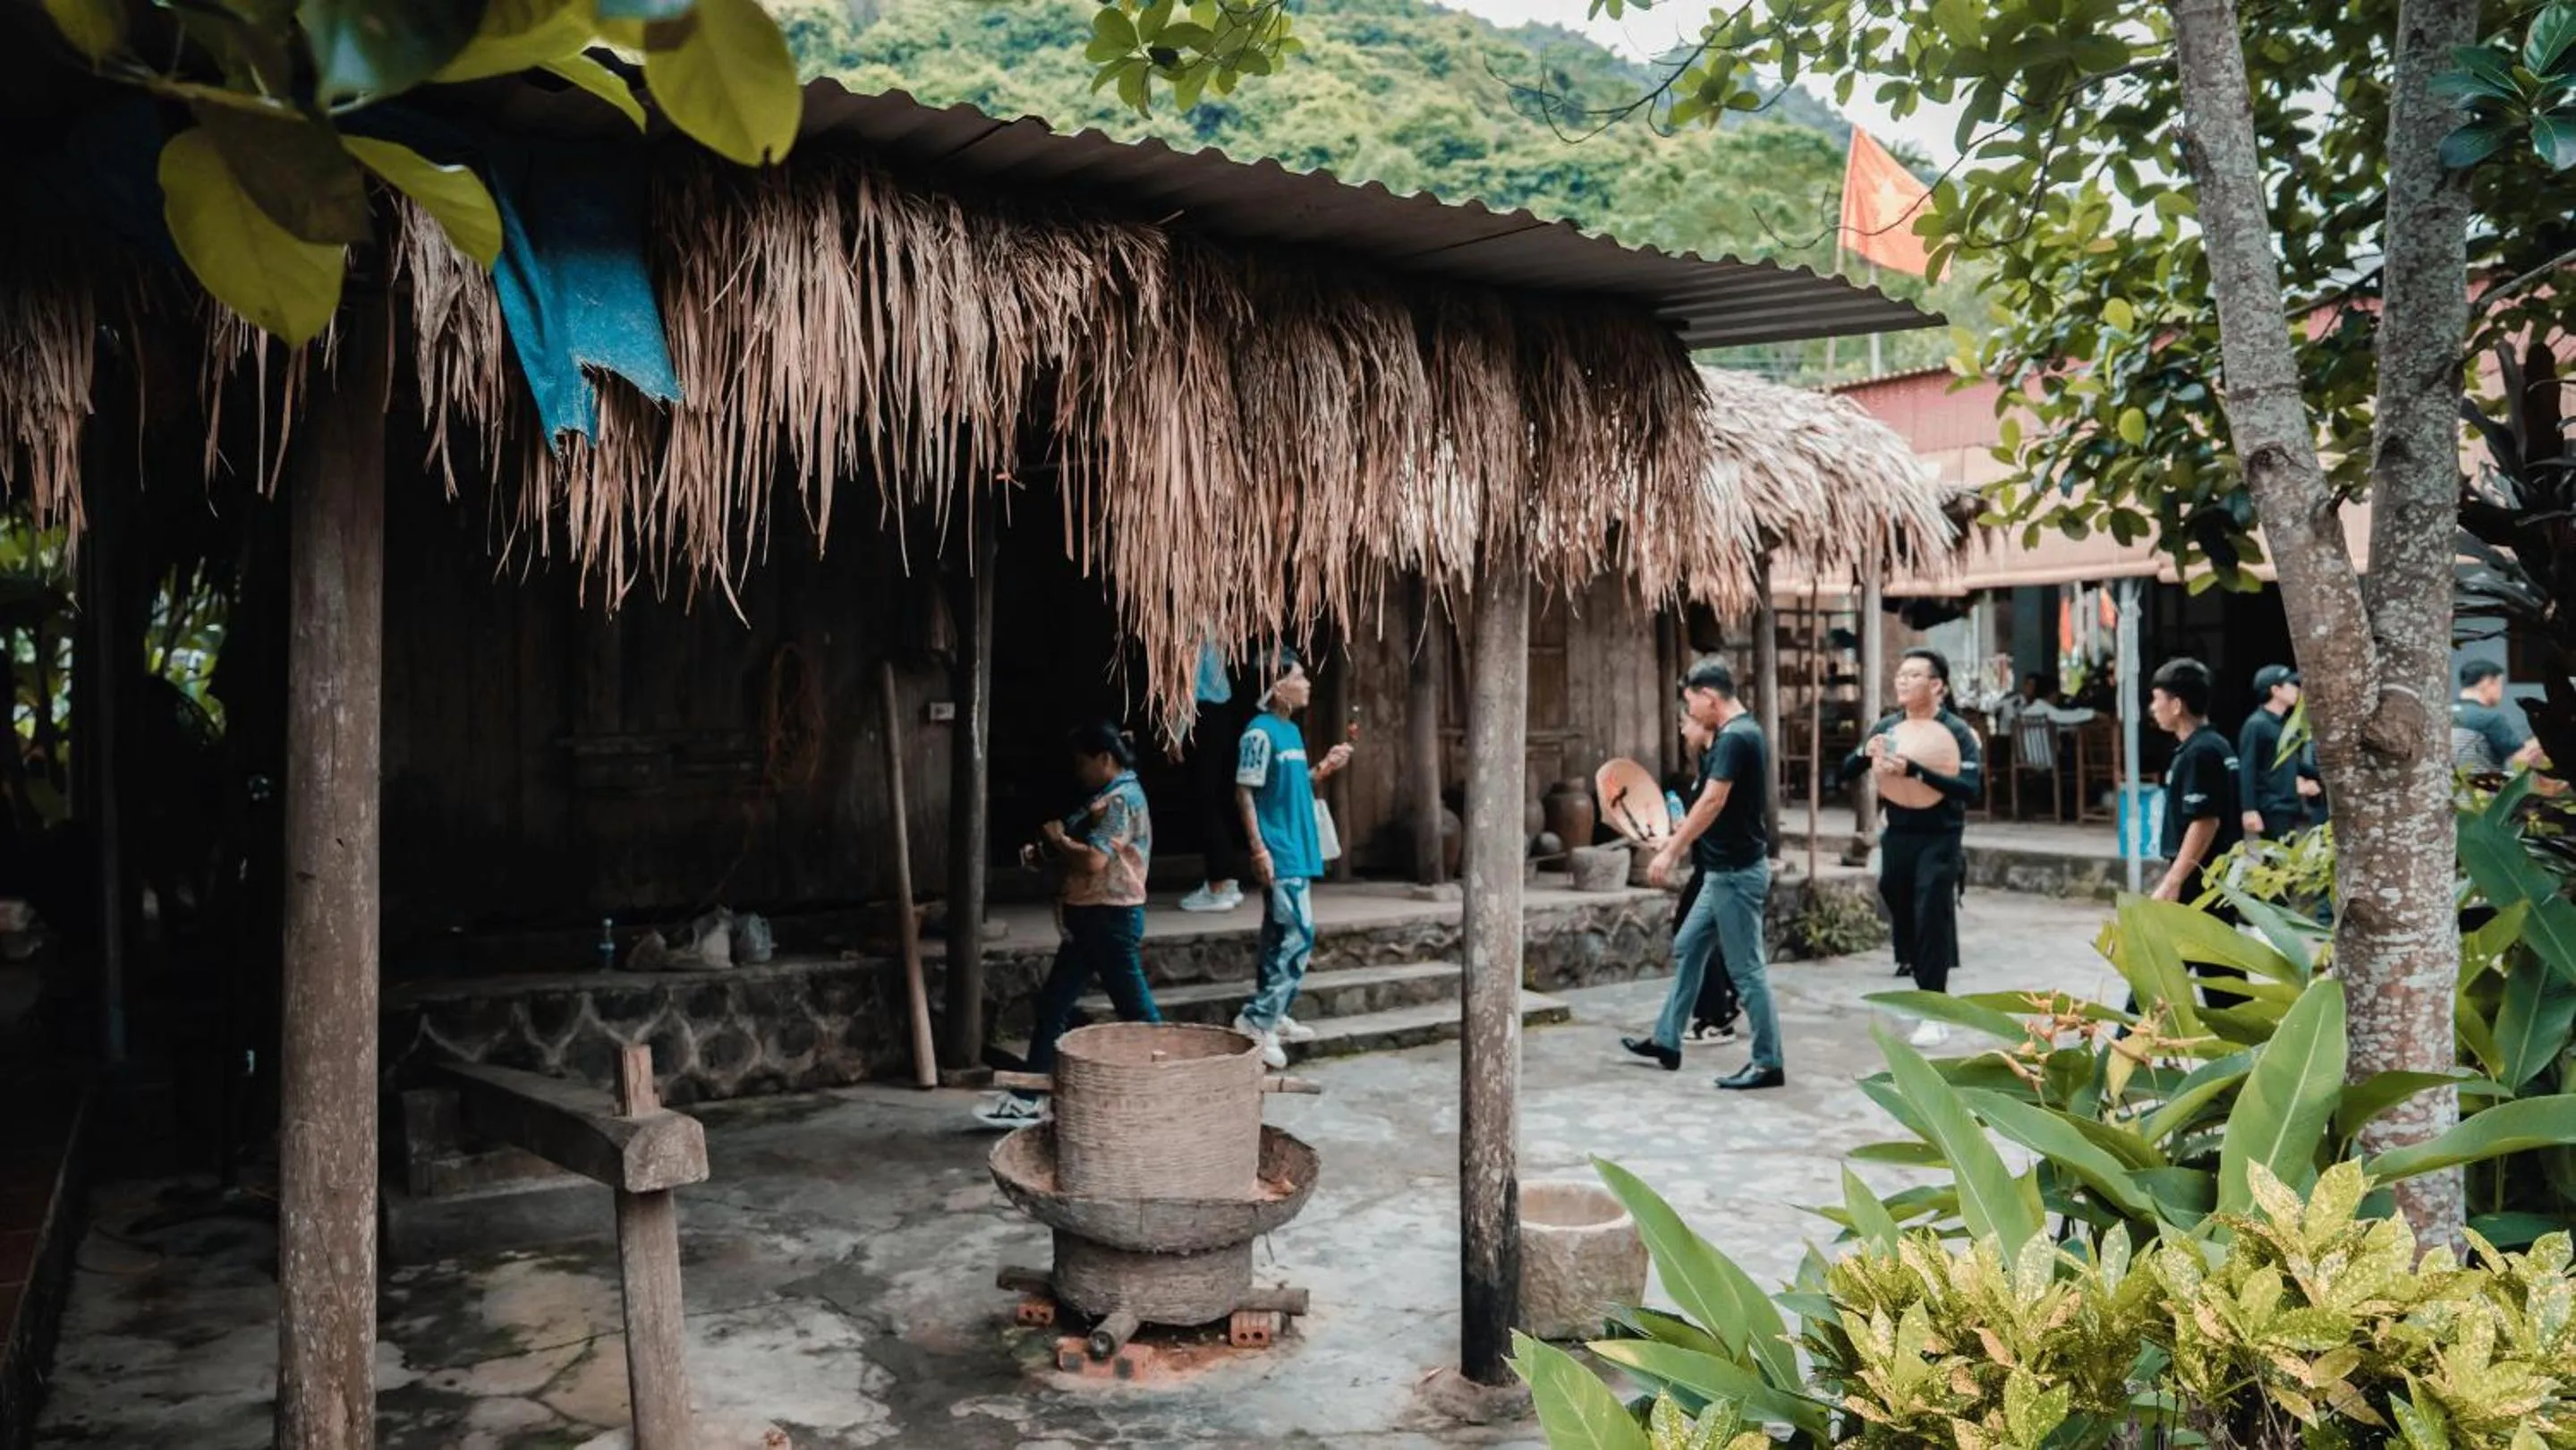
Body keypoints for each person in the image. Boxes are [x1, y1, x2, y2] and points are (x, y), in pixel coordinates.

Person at [975, 721, 1161, 1129]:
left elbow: (1095, 859)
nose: (1078, 770)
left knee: (1135, 1013)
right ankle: (1029, 1095)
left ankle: (1172, 1086)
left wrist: (1059, 840)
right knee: (1055, 1006)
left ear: (1104, 758)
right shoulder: (1106, 798)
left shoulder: (1120, 800)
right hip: (1093, 916)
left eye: (1082, 762)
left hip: (1109, 916)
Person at [1625, 659, 1781, 1091]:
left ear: (1711, 698)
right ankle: (1667, 1040)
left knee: (1748, 971)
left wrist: (1671, 852)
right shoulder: (1731, 737)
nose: (1690, 714)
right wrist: (1674, 835)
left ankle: (1769, 1063)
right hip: (1720, 873)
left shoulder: (1738, 737)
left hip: (1737, 875)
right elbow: (1710, 809)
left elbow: (1713, 802)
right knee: (1688, 945)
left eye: (1693, 705)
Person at [1840, 648, 1983, 1047]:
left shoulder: (1956, 732)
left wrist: (1917, 770)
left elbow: (1970, 789)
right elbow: (1846, 772)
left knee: (1930, 915)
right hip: (1898, 833)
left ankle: (1935, 1010)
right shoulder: (1888, 727)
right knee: (1898, 903)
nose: (1902, 681)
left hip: (1940, 835)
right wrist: (1862, 754)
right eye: (1900, 674)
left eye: (1913, 675)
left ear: (1937, 685)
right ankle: (1920, 990)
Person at [1231, 645, 1354, 1069]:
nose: (1306, 684)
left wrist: (1322, 769)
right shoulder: (1258, 732)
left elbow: (1289, 786)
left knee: (1278, 935)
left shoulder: (1292, 733)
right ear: (1276, 686)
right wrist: (1259, 848)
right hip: (1280, 850)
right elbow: (1245, 792)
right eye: (1298, 677)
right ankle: (1257, 1019)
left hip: (1298, 848)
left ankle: (1275, 1013)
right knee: (1299, 934)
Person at [2149, 658, 2247, 1008]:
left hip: (2198, 884)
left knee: (2155, 982)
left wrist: (2174, 880)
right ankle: (2251, 1054)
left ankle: (2125, 1049)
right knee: (2224, 989)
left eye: (2156, 698)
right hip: (2210, 881)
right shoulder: (2214, 746)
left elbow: (2205, 821)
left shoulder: (2201, 752)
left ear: (2176, 704)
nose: (2153, 707)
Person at [1676, 709, 1739, 1044]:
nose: (1682, 730)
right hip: (1709, 863)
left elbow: (1718, 813)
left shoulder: (1723, 762)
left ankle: (1717, 1017)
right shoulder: (1708, 762)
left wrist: (1676, 842)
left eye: (1686, 722)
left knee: (1694, 933)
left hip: (1720, 865)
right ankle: (1725, 1001)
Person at [1179, 638, 1249, 913]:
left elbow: (1190, 683)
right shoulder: (1213, 622)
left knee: (1204, 799)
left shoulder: (1193, 624)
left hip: (1202, 713)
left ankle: (1218, 884)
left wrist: (1178, 730)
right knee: (1216, 798)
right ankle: (1228, 880)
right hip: (1222, 711)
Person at [2236, 665, 2310, 840]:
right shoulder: (2256, 724)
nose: (2297, 690)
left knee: (2286, 861)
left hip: (2288, 804)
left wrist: (2320, 775)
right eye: (2291, 685)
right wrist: (2249, 809)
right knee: (2277, 863)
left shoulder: (2283, 723)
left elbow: (2291, 761)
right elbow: (2247, 768)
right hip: (2272, 806)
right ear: (2276, 690)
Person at [2453, 660, 2544, 774]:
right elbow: (2520, 757)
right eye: (2499, 683)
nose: (2500, 690)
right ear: (2488, 682)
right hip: (2480, 787)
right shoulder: (2489, 718)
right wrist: (2545, 738)